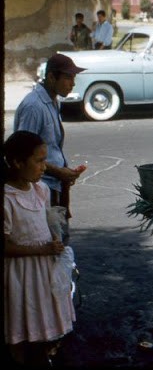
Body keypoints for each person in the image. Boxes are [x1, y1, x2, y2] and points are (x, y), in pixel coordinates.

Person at [3, 130, 76, 367]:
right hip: (19, 273)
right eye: (39, 160)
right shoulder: (7, 199)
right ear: (17, 162)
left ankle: (43, 353)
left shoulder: (41, 190)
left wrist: (54, 242)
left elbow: (50, 221)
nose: (45, 167)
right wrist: (41, 250)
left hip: (42, 271)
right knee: (20, 319)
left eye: (45, 160)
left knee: (41, 315)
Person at [14, 53, 87, 240]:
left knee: (60, 238)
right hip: (41, 187)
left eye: (74, 78)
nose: (72, 84)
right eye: (68, 78)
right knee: (49, 241)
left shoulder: (53, 101)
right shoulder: (34, 106)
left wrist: (64, 172)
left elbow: (50, 149)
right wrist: (58, 171)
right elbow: (23, 153)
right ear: (52, 77)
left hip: (55, 184)